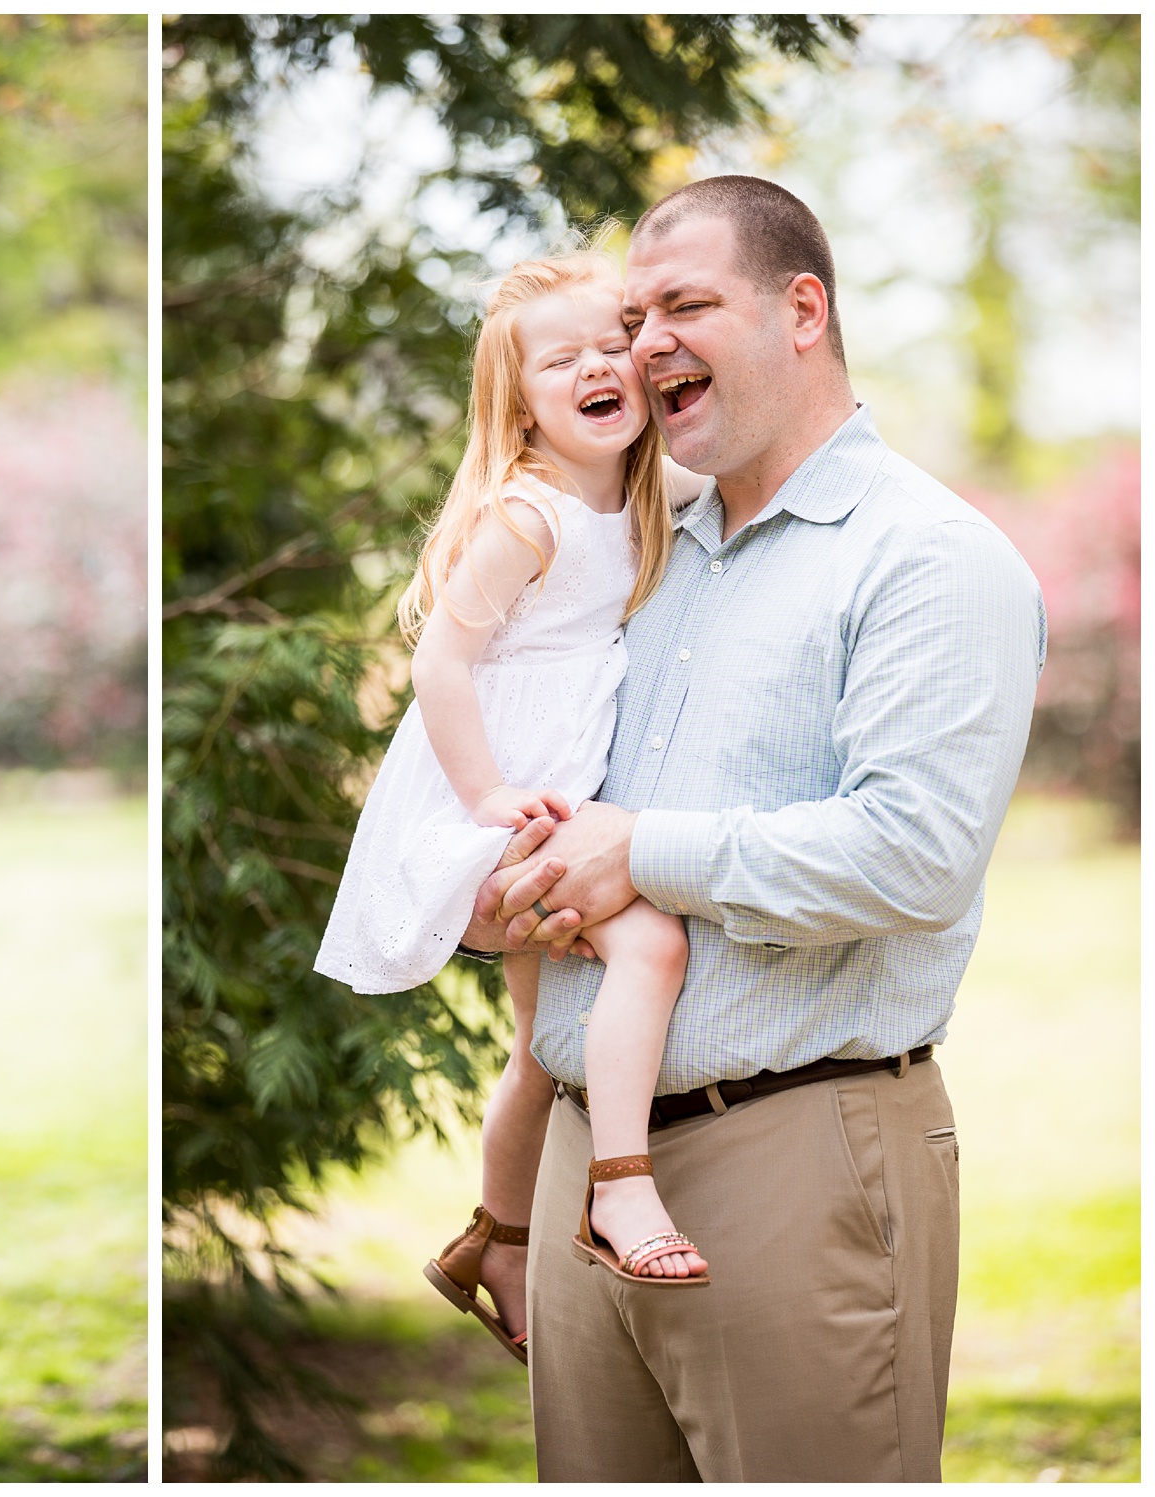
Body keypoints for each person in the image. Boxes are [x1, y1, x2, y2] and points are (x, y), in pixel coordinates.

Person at [463, 177, 1046, 1481]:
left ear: (801, 310)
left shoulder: (926, 560)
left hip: (798, 1152)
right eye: (631, 315)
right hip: (582, 1167)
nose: (643, 342)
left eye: (684, 306)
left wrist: (638, 847)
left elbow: (915, 853)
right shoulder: (636, 556)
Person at [315, 253, 714, 1363]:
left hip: (551, 798)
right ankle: (620, 1187)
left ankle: (493, 1236)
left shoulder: (639, 496)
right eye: (559, 358)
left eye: (609, 346)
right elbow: (439, 666)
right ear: (520, 399)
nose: (593, 367)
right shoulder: (527, 517)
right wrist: (486, 795)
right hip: (490, 808)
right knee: (650, 948)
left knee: (540, 1050)